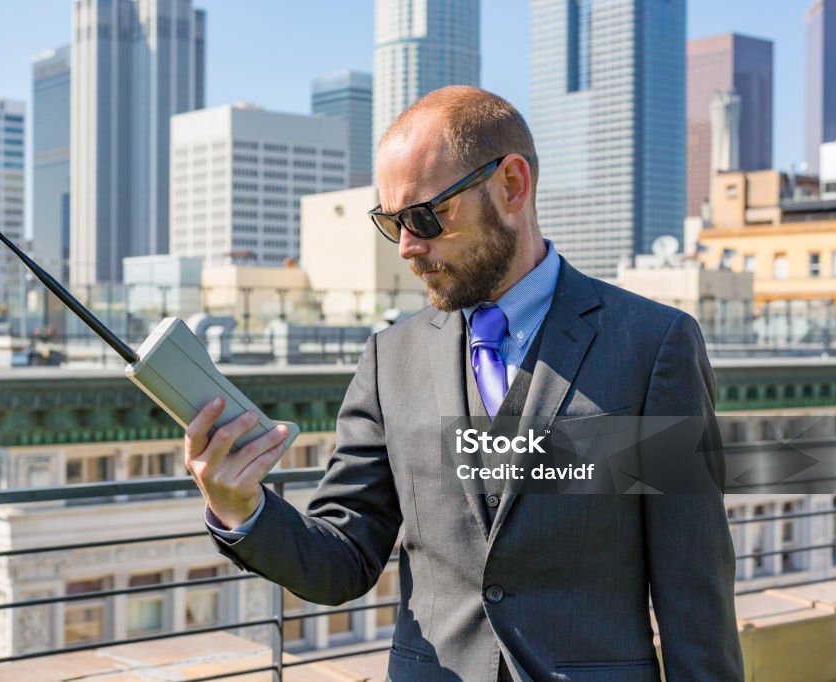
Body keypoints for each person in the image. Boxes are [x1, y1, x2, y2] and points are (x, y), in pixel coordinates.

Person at [184, 86, 744, 681]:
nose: (407, 246)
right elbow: (343, 560)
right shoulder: (388, 360)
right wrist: (242, 508)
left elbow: (695, 592)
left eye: (426, 216)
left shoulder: (652, 346)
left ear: (511, 184)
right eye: (391, 222)